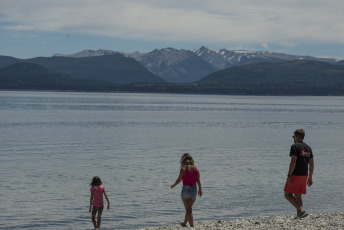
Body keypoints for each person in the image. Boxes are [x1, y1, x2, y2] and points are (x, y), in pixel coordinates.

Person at [284, 129, 314, 218]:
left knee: (287, 194)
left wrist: (289, 175)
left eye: (293, 137)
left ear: (296, 137)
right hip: (304, 175)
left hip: (296, 174)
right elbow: (312, 164)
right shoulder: (308, 148)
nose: (293, 138)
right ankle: (299, 216)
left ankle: (301, 210)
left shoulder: (295, 146)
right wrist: (310, 177)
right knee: (298, 196)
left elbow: (293, 161)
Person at [171, 153, 202, 228]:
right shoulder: (196, 169)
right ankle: (184, 223)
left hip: (186, 190)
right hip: (194, 190)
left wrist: (174, 185)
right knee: (189, 209)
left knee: (189, 210)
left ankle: (192, 227)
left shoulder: (183, 169)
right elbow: (198, 181)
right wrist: (200, 190)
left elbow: (179, 179)